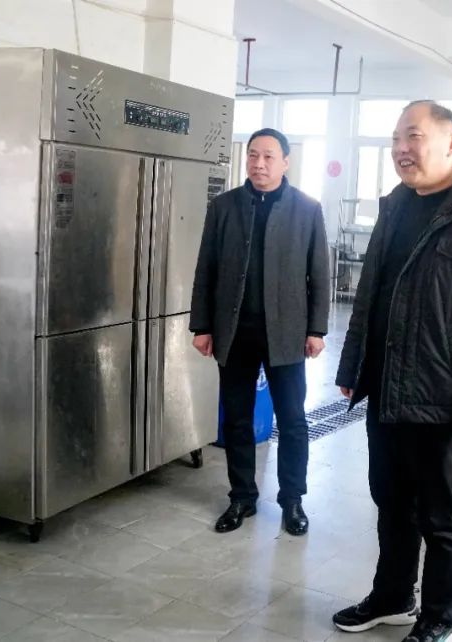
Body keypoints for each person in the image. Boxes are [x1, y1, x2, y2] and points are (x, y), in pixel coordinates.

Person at [332, 101, 452, 642]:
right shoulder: (396, 206)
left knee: (442, 516)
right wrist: (353, 365)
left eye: (414, 136)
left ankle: (443, 616)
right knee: (390, 501)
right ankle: (394, 596)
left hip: (444, 396)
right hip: (386, 387)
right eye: (396, 138)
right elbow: (370, 296)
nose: (401, 148)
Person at [190, 127, 330, 537]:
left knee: (292, 420)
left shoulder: (306, 209)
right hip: (235, 331)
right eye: (253, 154)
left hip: (286, 332)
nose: (259, 163)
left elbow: (319, 274)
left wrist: (316, 329)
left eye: (268, 156)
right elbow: (206, 269)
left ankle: (292, 500)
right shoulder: (224, 206)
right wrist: (202, 325)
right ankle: (242, 497)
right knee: (236, 419)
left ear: (285, 161)